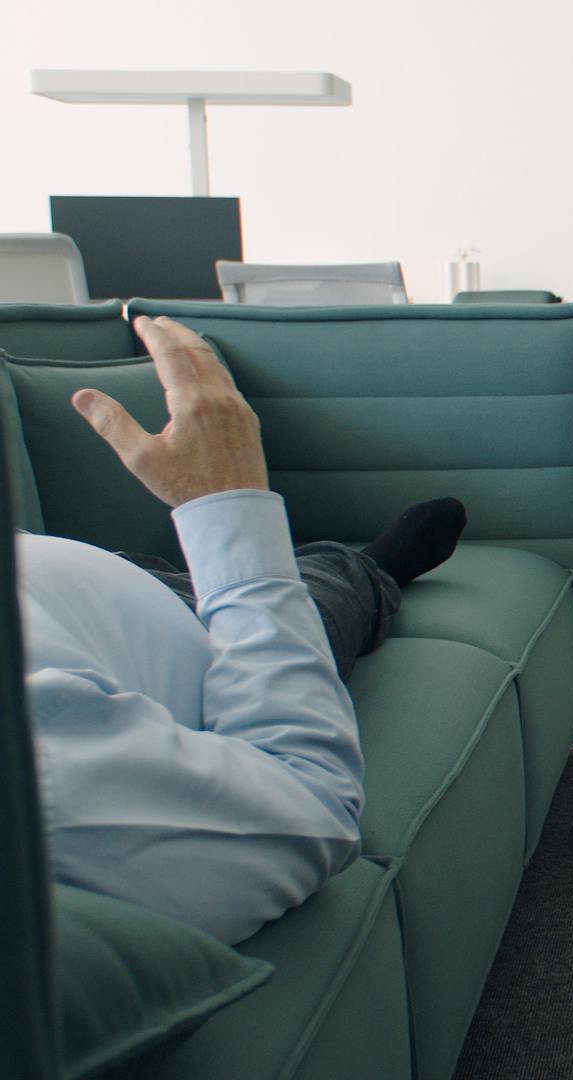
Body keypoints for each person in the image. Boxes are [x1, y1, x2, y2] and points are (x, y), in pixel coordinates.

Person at [16, 315, 466, 944]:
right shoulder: (36, 778)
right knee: (321, 593)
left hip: (93, 587)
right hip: (201, 652)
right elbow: (308, 808)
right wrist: (229, 506)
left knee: (188, 574)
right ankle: (372, 572)